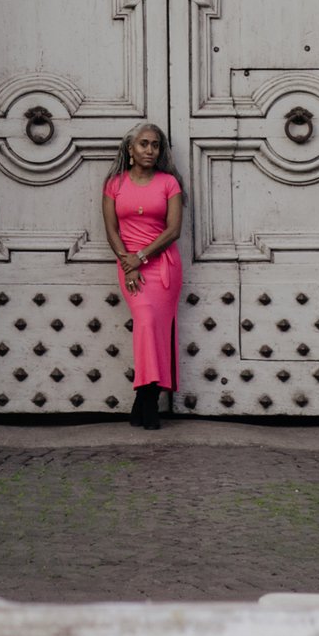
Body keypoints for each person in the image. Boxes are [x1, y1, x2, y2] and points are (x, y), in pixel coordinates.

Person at [102, 122, 184, 430]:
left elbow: (173, 230)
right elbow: (111, 229)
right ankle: (148, 398)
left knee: (155, 329)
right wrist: (128, 262)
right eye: (144, 144)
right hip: (130, 267)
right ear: (130, 150)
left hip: (161, 266)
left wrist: (141, 257)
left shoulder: (169, 183)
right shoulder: (114, 184)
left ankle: (145, 400)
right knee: (146, 325)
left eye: (155, 145)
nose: (150, 150)